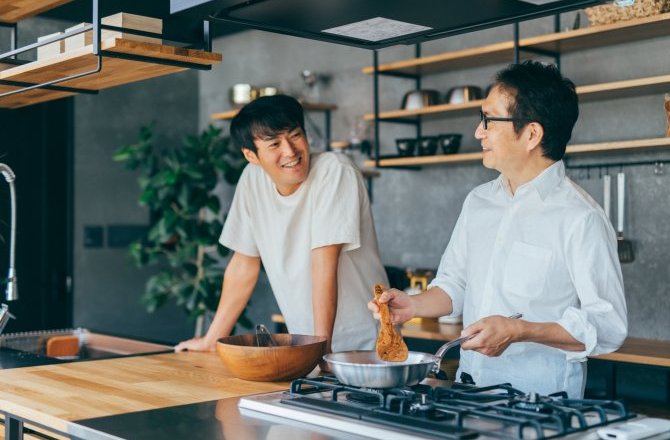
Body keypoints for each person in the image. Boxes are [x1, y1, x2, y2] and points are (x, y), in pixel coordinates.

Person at [369, 61, 627, 398]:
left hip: (539, 405)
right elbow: (454, 285)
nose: (478, 132)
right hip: (468, 393)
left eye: (489, 120)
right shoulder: (479, 201)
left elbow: (608, 326)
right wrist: (413, 305)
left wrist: (520, 330)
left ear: (532, 134)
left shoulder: (580, 217)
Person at [176, 95, 387, 354]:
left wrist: (321, 349)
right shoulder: (252, 180)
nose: (290, 151)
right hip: (309, 346)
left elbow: (324, 261)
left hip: (364, 345)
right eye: (274, 143)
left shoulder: (335, 171)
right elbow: (243, 265)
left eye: (295, 135)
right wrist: (211, 341)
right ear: (251, 155)